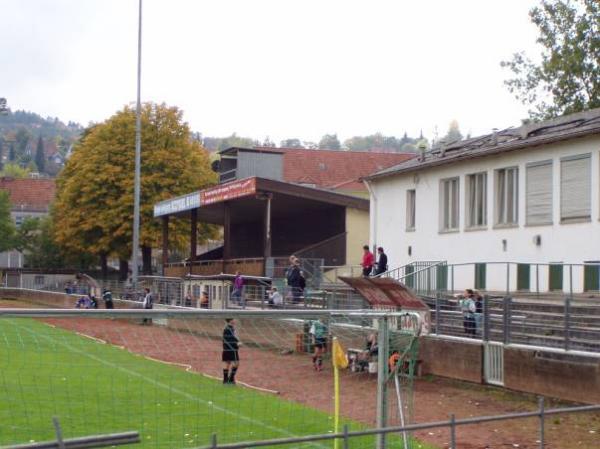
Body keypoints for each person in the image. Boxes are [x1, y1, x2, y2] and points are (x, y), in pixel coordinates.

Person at [222, 318, 240, 384]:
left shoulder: (228, 328)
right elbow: (231, 339)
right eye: (234, 319)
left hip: (226, 348)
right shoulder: (229, 329)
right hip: (231, 349)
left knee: (227, 363)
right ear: (231, 320)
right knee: (236, 364)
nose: (235, 320)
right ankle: (230, 379)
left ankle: (226, 380)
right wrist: (237, 343)